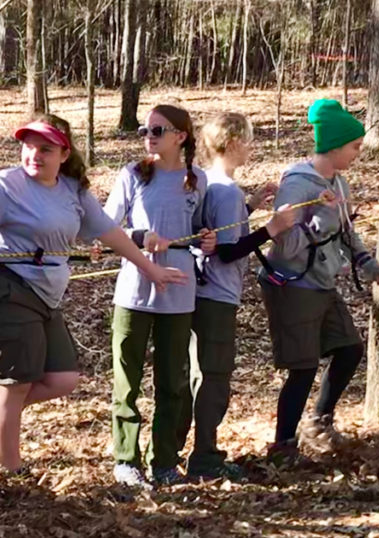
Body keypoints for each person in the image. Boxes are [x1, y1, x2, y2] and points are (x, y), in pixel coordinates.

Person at [0, 114, 187, 474]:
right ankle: (13, 474)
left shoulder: (72, 190)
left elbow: (110, 233)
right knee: (15, 387)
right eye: (28, 146)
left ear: (63, 154)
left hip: (46, 298)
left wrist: (150, 267)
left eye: (45, 148)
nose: (34, 154)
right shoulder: (3, 185)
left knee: (64, 379)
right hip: (8, 290)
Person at [259, 99, 379, 464]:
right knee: (301, 367)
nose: (358, 153)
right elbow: (284, 244)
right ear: (334, 146)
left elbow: (347, 233)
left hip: (323, 283)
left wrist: (369, 265)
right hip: (292, 284)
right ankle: (283, 446)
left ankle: (319, 422)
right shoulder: (298, 185)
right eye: (354, 146)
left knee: (349, 349)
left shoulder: (340, 183)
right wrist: (319, 222)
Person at [174, 112, 302, 480]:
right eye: (247, 140)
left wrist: (250, 208)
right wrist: (270, 229)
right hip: (216, 295)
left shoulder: (211, 184)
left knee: (194, 374)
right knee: (213, 378)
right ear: (230, 143)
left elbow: (221, 231)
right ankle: (205, 458)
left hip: (197, 293)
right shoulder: (226, 189)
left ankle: (175, 451)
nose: (251, 147)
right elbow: (227, 251)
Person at [105, 104, 216, 488]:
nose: (148, 136)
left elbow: (199, 229)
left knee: (173, 381)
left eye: (157, 130)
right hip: (134, 291)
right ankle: (125, 460)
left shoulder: (197, 180)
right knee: (127, 381)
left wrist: (207, 240)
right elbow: (106, 227)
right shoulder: (133, 175)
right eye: (144, 130)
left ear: (180, 137)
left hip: (180, 293)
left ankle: (164, 461)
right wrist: (140, 238)